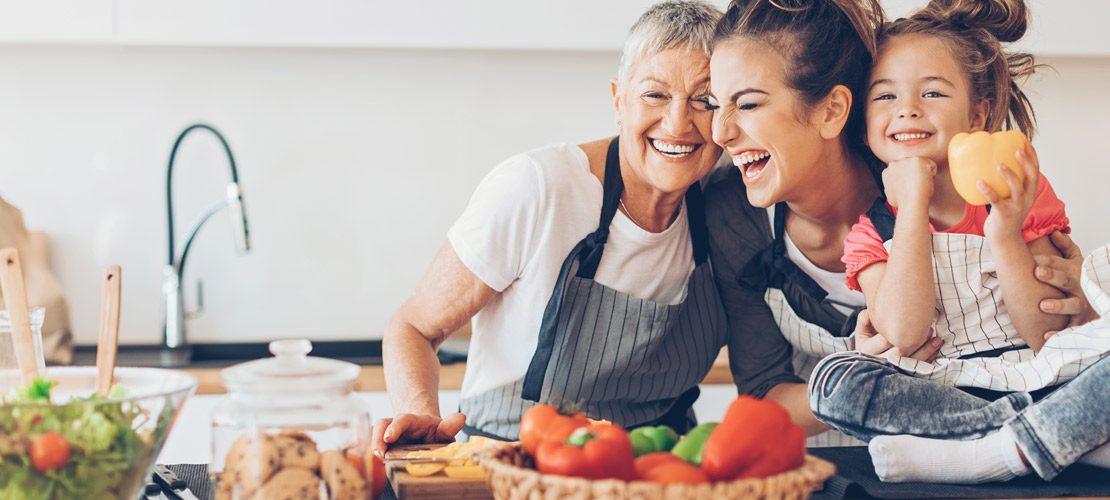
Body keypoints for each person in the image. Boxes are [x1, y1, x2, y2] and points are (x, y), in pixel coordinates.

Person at [704, 0, 1096, 449]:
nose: (720, 132)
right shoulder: (742, 215)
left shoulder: (955, 178)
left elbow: (1053, 328)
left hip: (1029, 390)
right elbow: (761, 394)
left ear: (834, 110)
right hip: (864, 454)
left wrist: (1081, 297)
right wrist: (865, 371)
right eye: (886, 95)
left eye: (749, 103)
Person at [372, 0, 727, 456]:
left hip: (659, 467)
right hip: (510, 463)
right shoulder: (539, 188)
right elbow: (414, 327)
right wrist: (423, 415)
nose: (679, 122)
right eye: (655, 95)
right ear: (618, 100)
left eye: (705, 100)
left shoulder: (731, 206)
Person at [806, 0, 1110, 484]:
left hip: (1041, 378)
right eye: (884, 97)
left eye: (932, 92)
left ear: (978, 114)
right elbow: (905, 335)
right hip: (945, 396)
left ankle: (1002, 449)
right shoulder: (873, 230)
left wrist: (1005, 232)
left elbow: (1044, 333)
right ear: (864, 121)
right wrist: (913, 205)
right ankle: (1048, 440)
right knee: (832, 382)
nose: (907, 108)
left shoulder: (1017, 192)